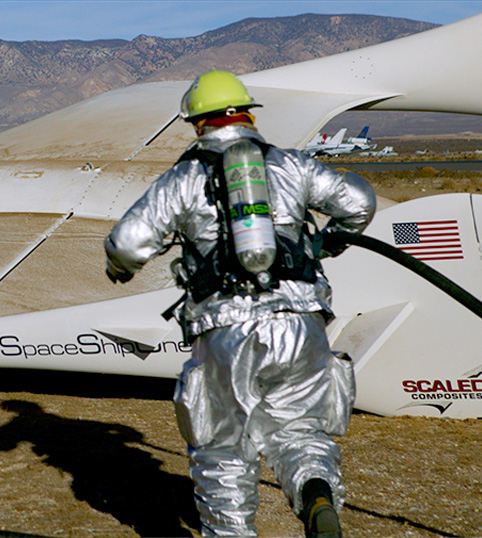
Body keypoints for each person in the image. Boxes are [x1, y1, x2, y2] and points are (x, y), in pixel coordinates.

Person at [104, 70, 375, 538]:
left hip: (226, 329)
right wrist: (328, 243)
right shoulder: (292, 165)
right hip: (301, 322)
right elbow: (359, 201)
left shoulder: (184, 178)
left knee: (224, 452)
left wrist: (120, 268)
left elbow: (127, 242)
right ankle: (315, 493)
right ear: (248, 114)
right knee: (301, 432)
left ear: (197, 122)